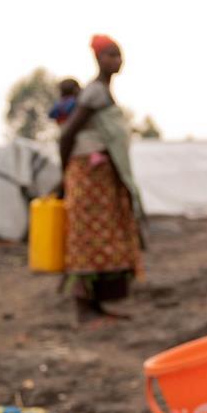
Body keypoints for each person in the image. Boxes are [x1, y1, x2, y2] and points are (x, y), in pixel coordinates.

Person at [57, 35, 146, 325]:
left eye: (119, 55)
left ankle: (97, 305)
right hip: (88, 174)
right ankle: (84, 307)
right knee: (87, 239)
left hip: (103, 176)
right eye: (110, 55)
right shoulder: (94, 92)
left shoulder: (103, 92)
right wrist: (65, 175)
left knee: (105, 238)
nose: (117, 60)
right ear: (98, 58)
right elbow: (67, 135)